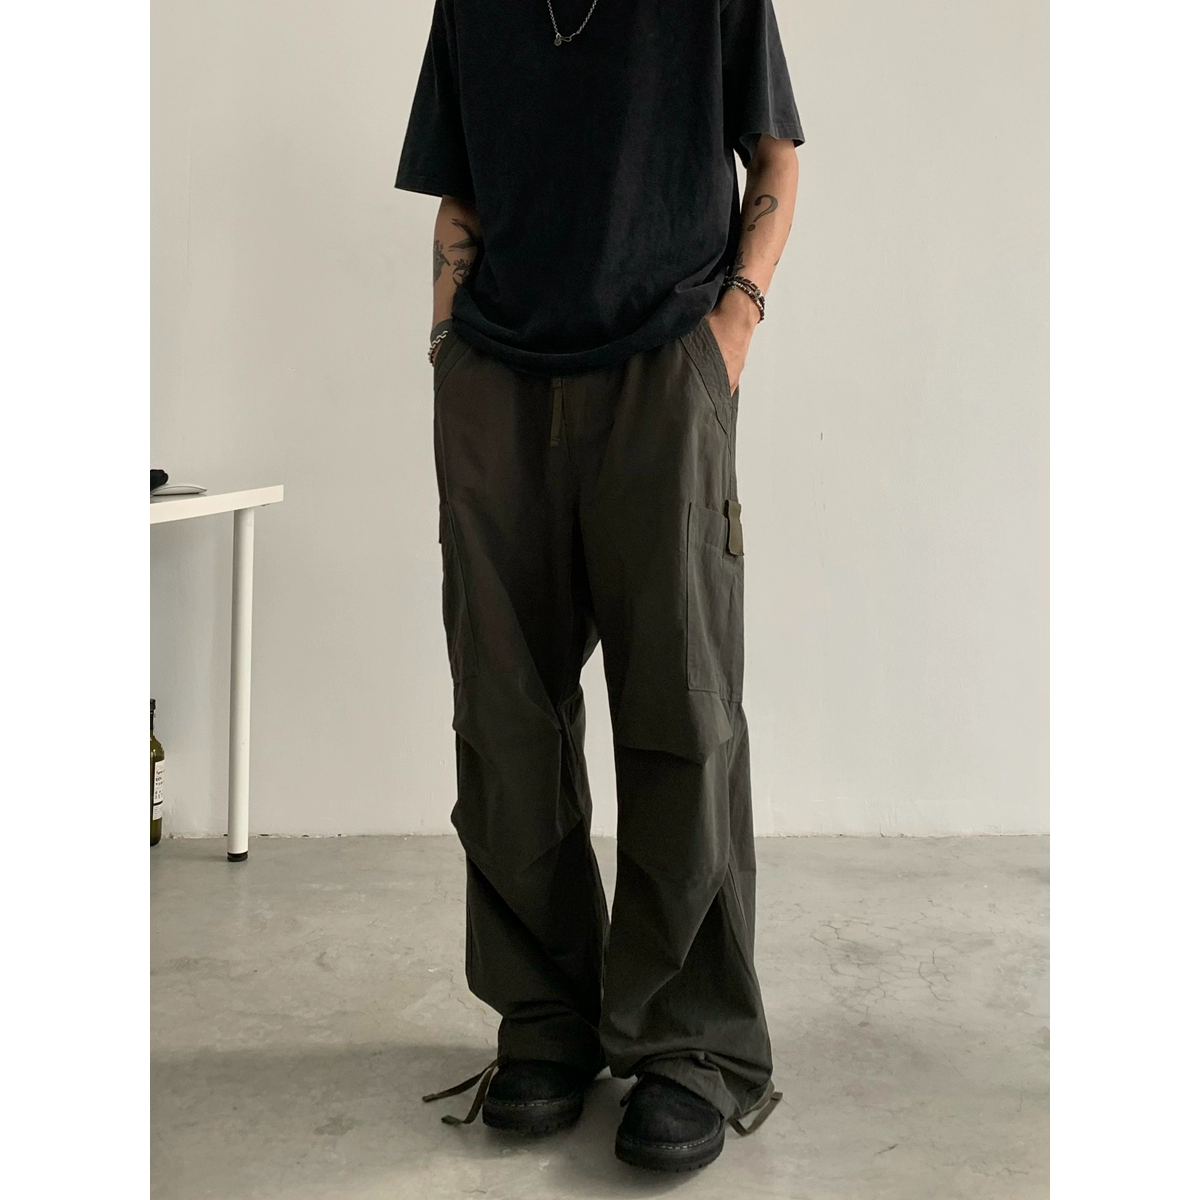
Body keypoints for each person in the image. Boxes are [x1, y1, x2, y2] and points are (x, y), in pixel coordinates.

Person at [395, 0, 802, 1173]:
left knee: (683, 702)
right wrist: (446, 347)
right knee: (504, 712)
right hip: (497, 376)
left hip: (664, 365)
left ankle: (690, 1042)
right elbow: (459, 192)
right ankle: (546, 1018)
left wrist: (732, 326)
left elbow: (773, 154)